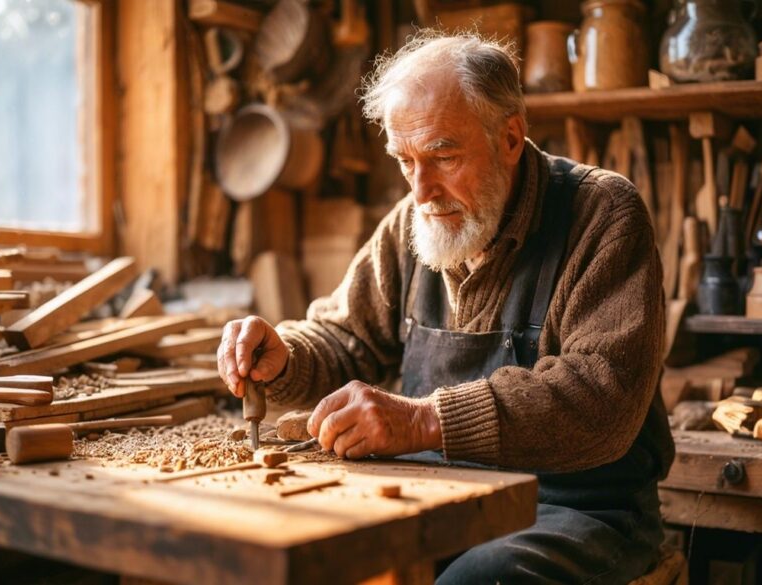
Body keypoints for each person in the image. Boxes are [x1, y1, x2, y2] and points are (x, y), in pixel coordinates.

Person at [216, 31, 674, 584]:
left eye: (442, 156)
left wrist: (423, 420)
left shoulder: (601, 215)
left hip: (576, 509)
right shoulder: (413, 223)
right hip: (441, 498)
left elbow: (600, 395)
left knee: (478, 581)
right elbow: (347, 335)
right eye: (404, 161)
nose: (422, 190)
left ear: (509, 137)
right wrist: (286, 356)